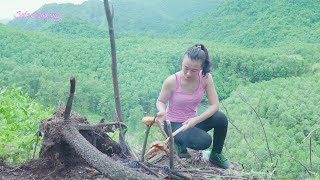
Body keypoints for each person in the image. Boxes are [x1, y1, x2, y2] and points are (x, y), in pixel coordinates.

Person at [156, 43, 230, 169]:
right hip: (174, 125)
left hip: (192, 121)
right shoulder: (172, 81)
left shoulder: (205, 78)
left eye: (194, 70)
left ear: (202, 68)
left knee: (221, 118)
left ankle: (216, 154)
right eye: (186, 68)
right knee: (205, 141)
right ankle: (178, 142)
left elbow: (215, 105)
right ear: (182, 63)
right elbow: (160, 101)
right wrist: (162, 112)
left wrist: (196, 119)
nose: (189, 73)